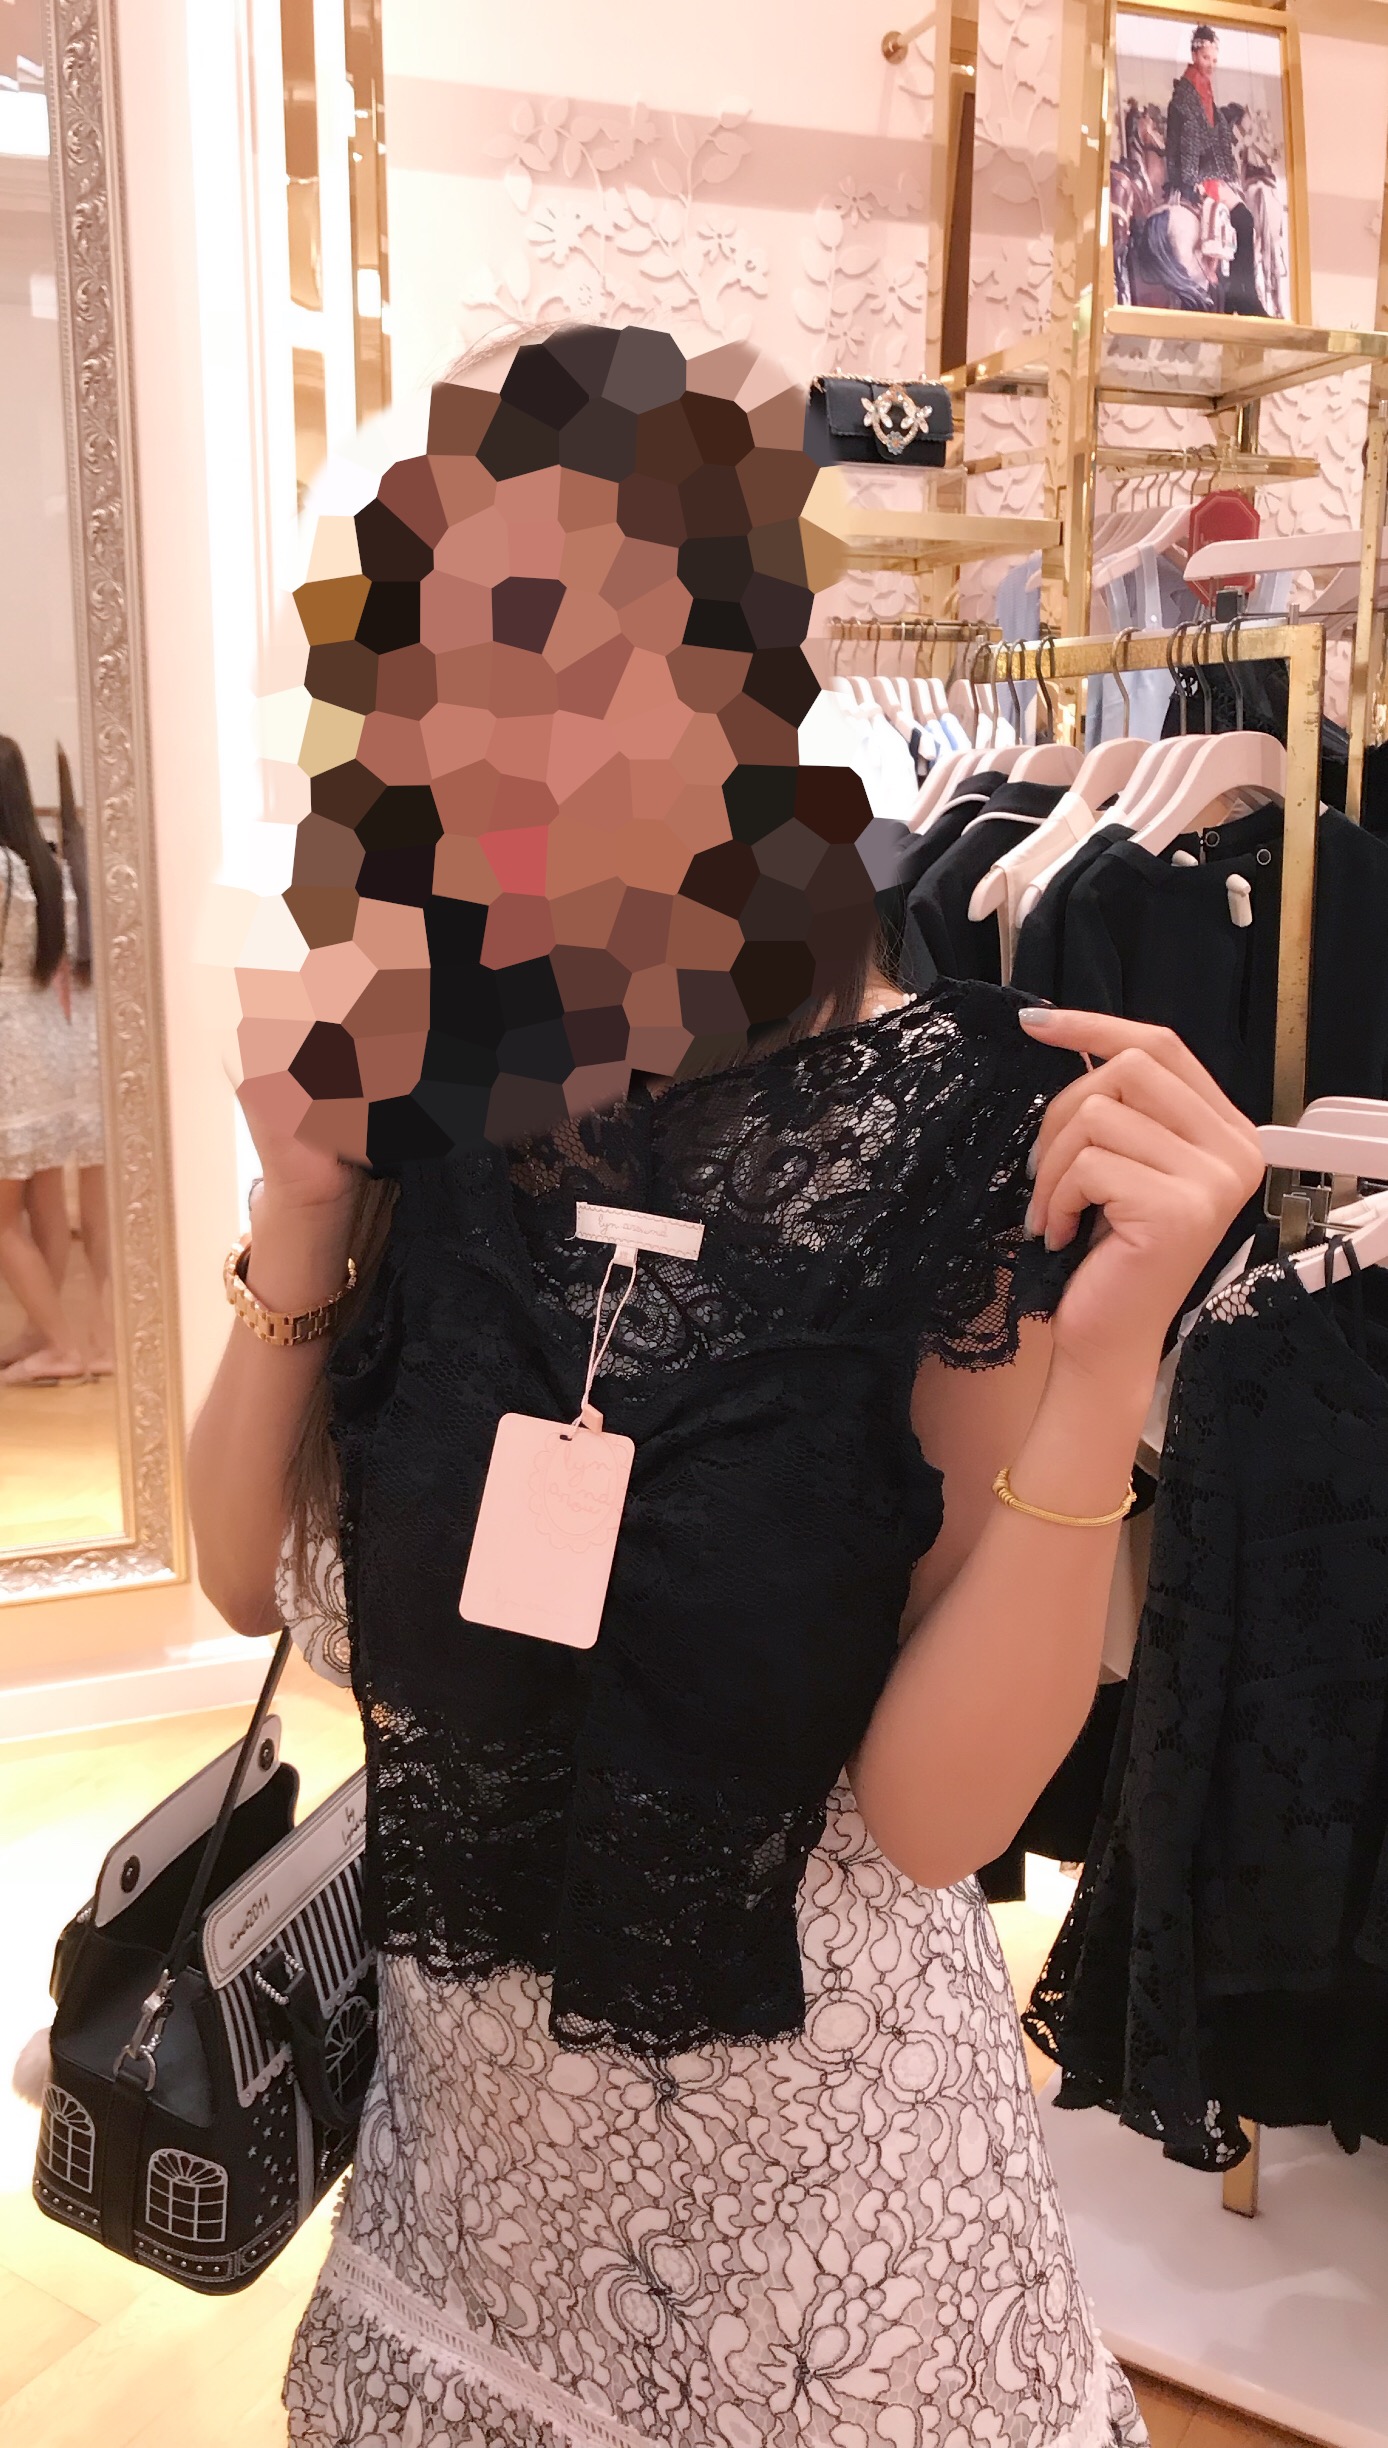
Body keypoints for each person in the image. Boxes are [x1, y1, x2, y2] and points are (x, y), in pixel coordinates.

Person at [189, 327, 1263, 2448]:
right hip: (446, 2263)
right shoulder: (420, 1087)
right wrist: (301, 1204)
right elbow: (245, 1576)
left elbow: (933, 1816)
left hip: (835, 2308)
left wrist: (1099, 1375)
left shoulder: (946, 1139)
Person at [0, 736, 86, 1384]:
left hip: (7, 1042)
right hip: (46, 1039)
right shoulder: (48, 868)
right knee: (46, 1205)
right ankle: (43, 1333)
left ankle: (60, 1343)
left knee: (3, 1218)